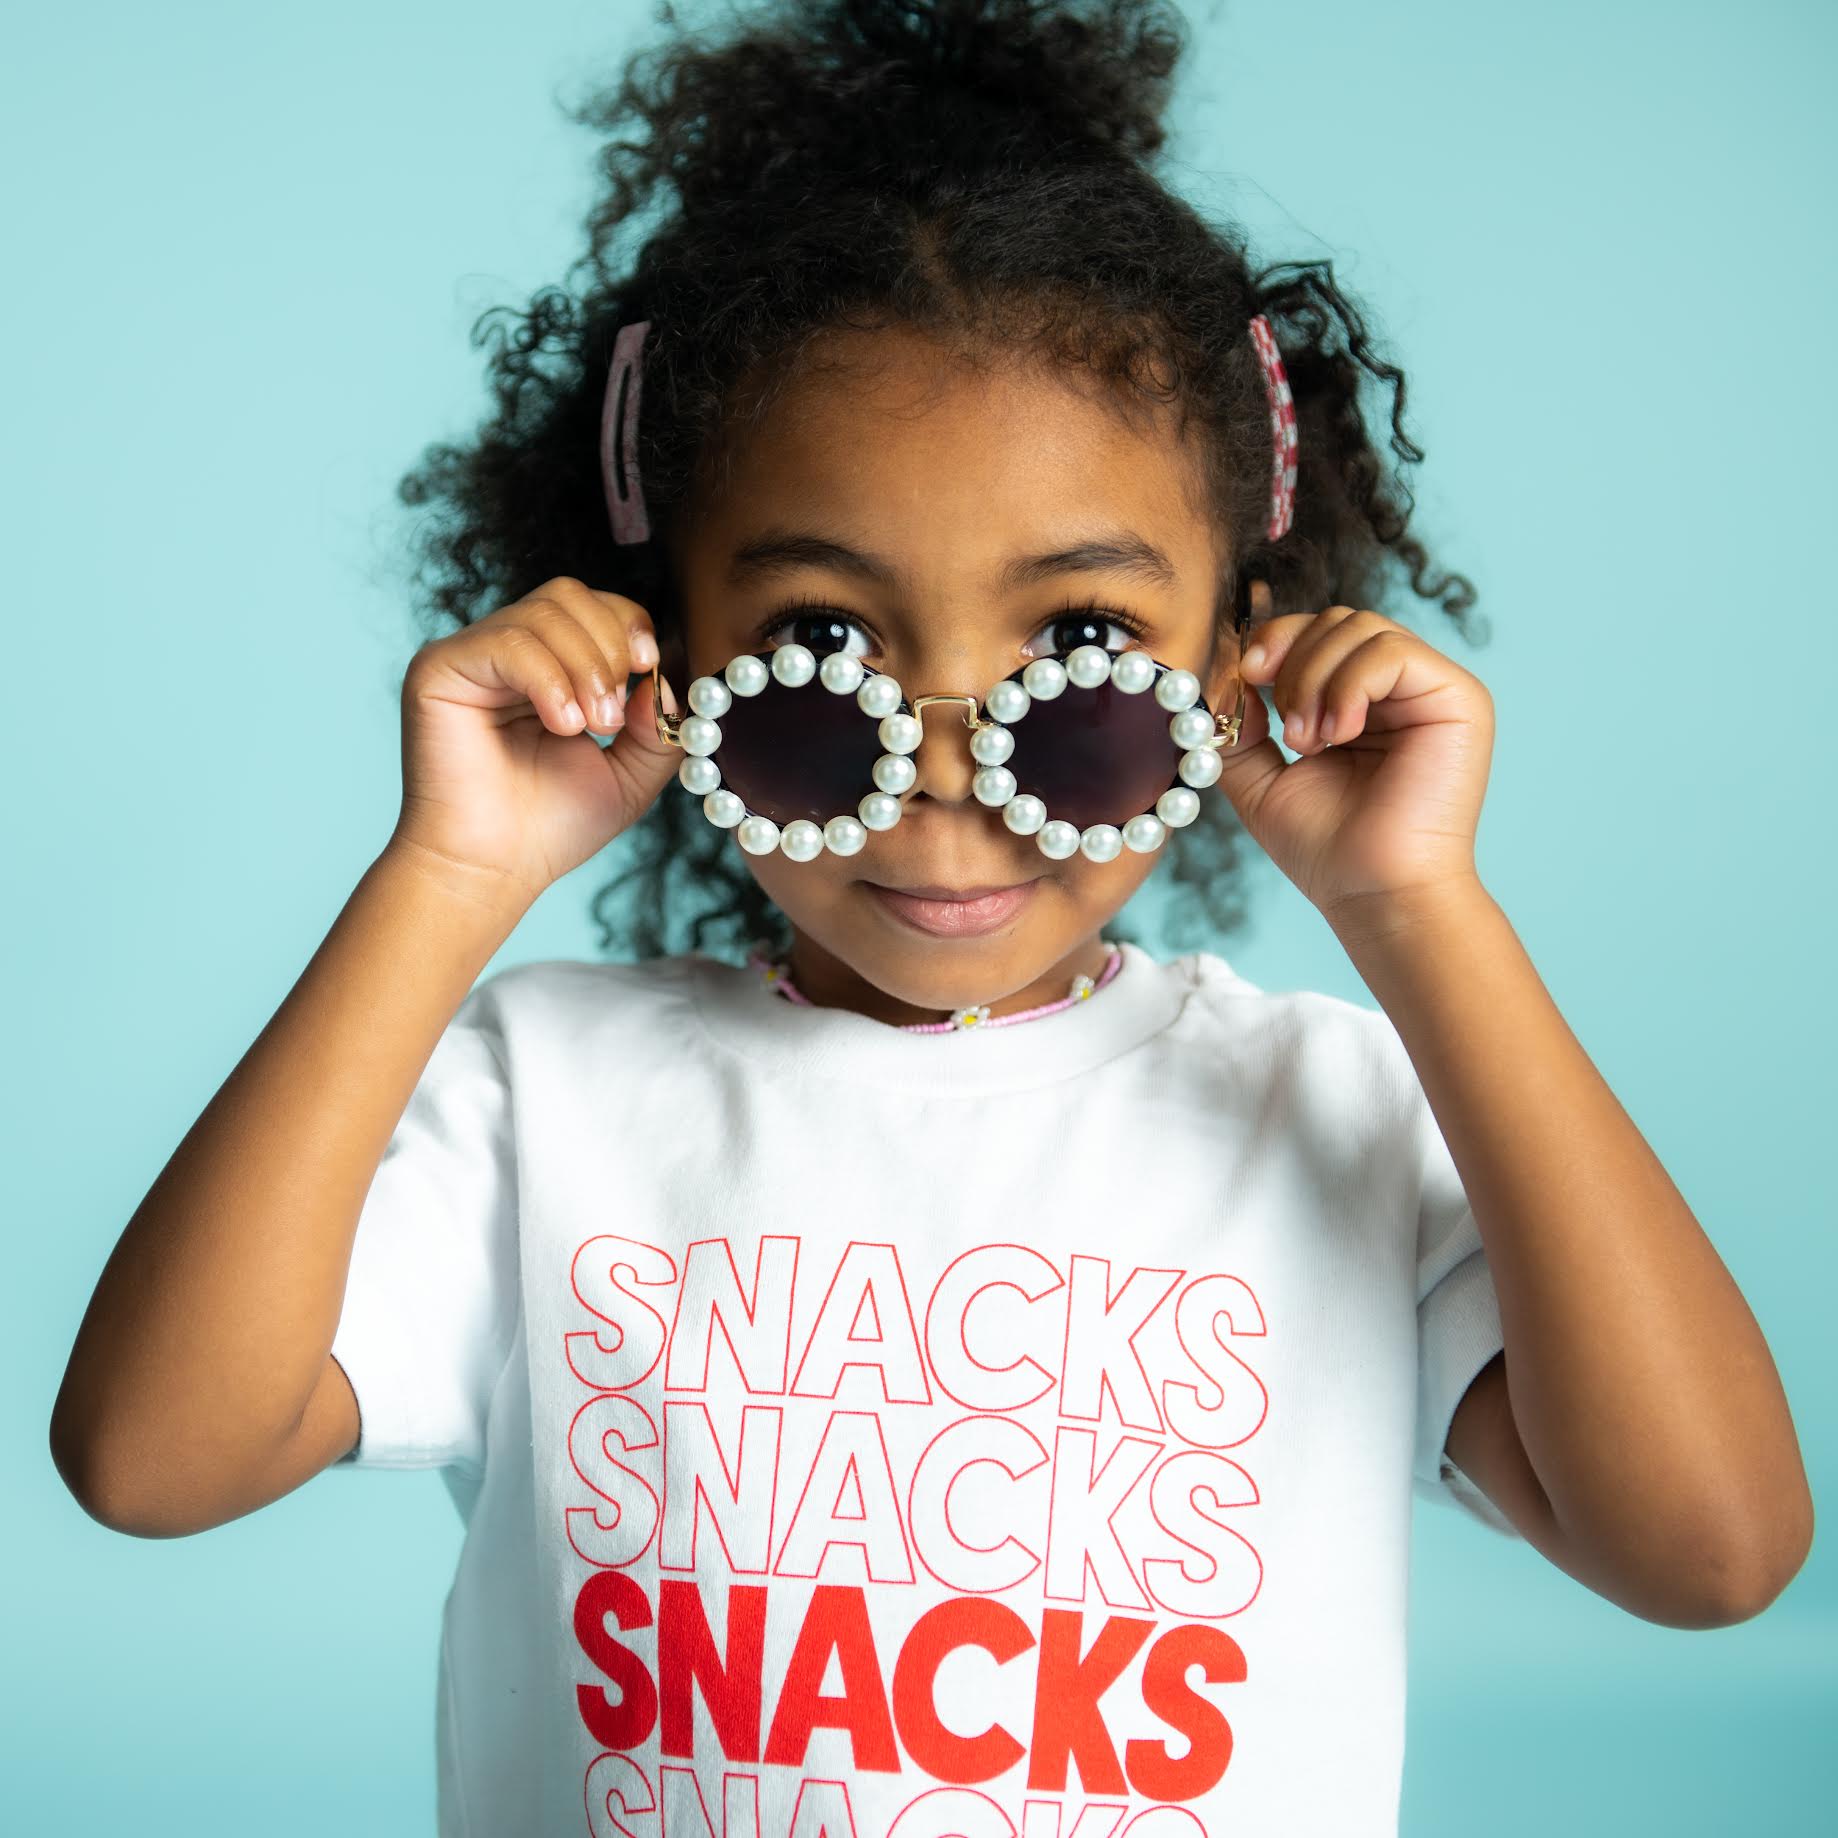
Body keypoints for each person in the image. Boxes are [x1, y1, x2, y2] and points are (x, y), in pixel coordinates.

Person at [49, 3, 1811, 1835]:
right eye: (818, 652)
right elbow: (155, 1458)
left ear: (1236, 664)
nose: (940, 775)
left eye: (1083, 658)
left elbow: (1708, 1549)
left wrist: (1417, 906)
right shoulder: (541, 1098)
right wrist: (449, 876)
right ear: (661, 647)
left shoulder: (1335, 1117)